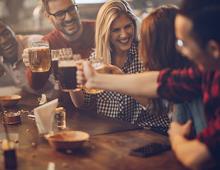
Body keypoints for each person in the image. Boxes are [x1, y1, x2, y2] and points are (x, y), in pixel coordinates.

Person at [77, 0, 220, 169]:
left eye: (183, 43)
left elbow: (195, 156)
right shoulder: (207, 72)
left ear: (213, 49)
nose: (180, 50)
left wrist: (175, 136)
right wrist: (98, 79)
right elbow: (161, 81)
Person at [24, 0, 95, 90]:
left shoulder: (100, 30)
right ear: (49, 17)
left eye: (71, 9)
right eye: (60, 14)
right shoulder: (47, 44)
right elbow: (36, 86)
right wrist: (33, 65)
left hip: (104, 101)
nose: (68, 18)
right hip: (66, 103)